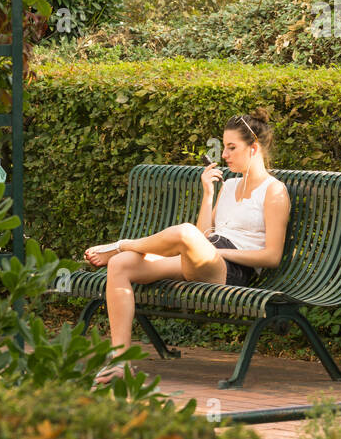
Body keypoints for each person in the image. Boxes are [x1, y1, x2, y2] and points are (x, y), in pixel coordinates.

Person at [84, 110, 290, 385]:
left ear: (253, 148)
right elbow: (205, 234)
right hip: (206, 255)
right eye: (224, 146)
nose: (225, 155)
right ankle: (120, 362)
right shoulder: (229, 185)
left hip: (233, 269)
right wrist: (208, 194)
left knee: (183, 233)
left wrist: (218, 252)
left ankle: (123, 245)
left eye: (232, 148)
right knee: (121, 266)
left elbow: (272, 256)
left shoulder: (274, 191)